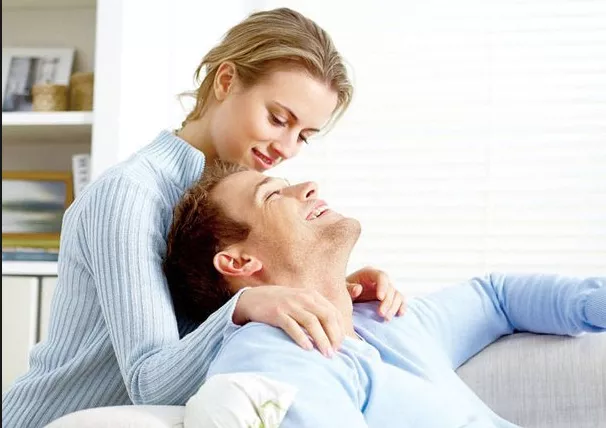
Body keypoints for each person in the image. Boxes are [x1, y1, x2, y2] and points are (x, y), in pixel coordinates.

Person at [1, 8, 406, 428]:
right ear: (226, 81)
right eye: (278, 119)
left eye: (303, 135)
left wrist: (338, 293)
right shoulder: (130, 194)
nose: (286, 148)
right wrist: (247, 304)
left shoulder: (237, 197)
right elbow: (149, 382)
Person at [163, 161, 606, 428]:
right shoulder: (273, 355)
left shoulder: (381, 317)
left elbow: (495, 299)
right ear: (238, 262)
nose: (308, 187)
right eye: (274, 194)